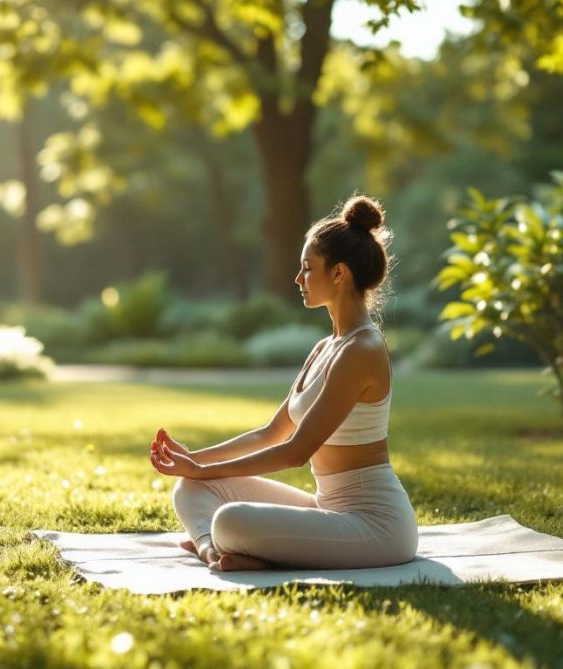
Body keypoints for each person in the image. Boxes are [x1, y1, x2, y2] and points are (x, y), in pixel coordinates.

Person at [149, 195, 418, 572]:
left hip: (374, 526)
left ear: (338, 273)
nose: (298, 278)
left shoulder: (363, 349)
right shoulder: (326, 347)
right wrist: (194, 462)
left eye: (308, 268)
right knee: (191, 489)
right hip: (327, 509)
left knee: (230, 519)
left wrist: (201, 468)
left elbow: (295, 452)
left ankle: (215, 543)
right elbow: (271, 432)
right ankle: (215, 552)